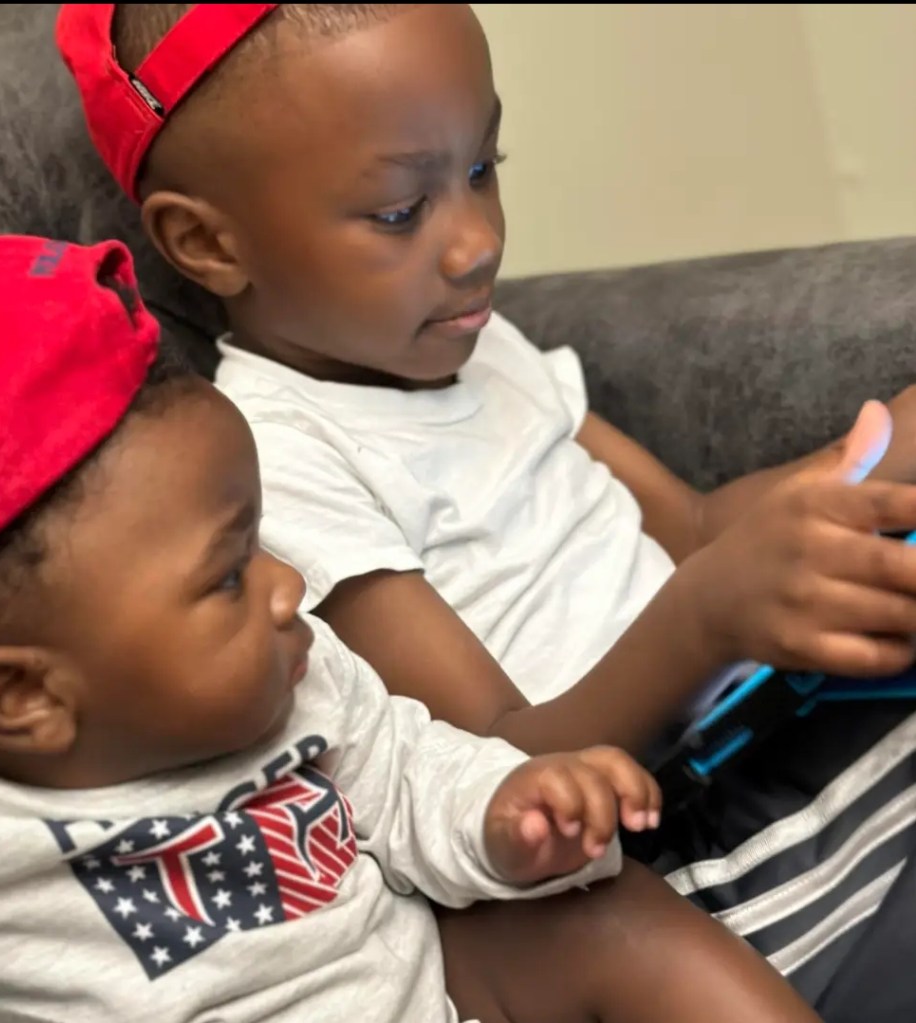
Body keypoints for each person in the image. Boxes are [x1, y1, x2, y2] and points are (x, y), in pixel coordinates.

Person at [58, 2, 916, 1006]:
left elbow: (689, 528)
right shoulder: (273, 461)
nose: (477, 244)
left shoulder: (472, 339)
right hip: (682, 848)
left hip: (775, 717)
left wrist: (878, 454)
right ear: (207, 242)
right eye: (399, 212)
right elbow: (499, 767)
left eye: (482, 168)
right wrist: (706, 618)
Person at [0, 234, 821, 1023]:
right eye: (229, 574)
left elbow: (413, 769)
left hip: (439, 995)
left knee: (605, 912)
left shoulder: (297, 676)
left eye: (262, 541)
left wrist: (507, 814)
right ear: (23, 695)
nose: (289, 584)